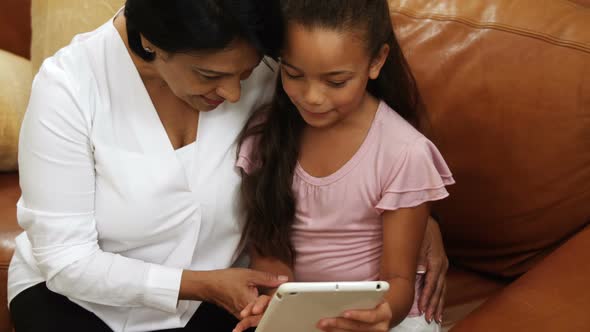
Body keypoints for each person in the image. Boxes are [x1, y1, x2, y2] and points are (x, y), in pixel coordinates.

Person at [8, 1, 447, 331]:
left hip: (217, 304)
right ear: (151, 45)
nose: (235, 94)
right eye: (208, 75)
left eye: (247, 72)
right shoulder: (68, 88)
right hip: (74, 300)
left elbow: (359, 130)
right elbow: (67, 262)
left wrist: (418, 218)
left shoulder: (277, 63)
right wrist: (201, 283)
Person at [234, 0, 455, 331]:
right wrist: (278, 301)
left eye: (335, 82)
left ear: (376, 61)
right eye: (293, 74)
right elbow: (269, 245)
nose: (312, 97)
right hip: (296, 308)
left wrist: (381, 314)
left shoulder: (405, 153)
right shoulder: (268, 134)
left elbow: (398, 278)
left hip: (379, 311)